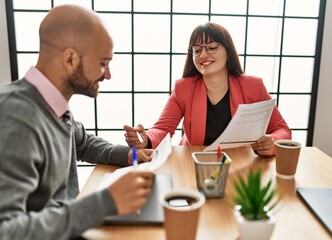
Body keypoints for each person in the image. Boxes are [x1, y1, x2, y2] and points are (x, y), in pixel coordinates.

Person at [0, 4, 154, 239]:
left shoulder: (52, 104)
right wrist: (106, 202)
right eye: (103, 63)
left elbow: (82, 143)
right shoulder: (16, 118)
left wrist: (131, 155)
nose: (108, 74)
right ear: (70, 59)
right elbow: (8, 231)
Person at [124, 22, 291, 157]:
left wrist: (272, 141)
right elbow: (162, 128)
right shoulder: (183, 88)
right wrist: (145, 140)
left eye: (211, 48)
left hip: (240, 161)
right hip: (194, 161)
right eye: (197, 50)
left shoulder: (253, 86)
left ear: (228, 51)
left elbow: (282, 129)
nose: (203, 55)